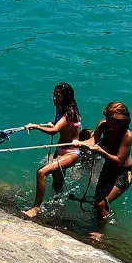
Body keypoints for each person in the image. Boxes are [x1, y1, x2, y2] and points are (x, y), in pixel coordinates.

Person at [21, 82, 81, 219]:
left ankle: (36, 208)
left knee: (41, 172)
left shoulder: (70, 113)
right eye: (54, 95)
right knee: (57, 182)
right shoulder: (59, 108)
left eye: (58, 96)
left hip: (71, 153)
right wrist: (52, 124)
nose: (54, 98)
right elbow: (58, 128)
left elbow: (54, 131)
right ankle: (58, 205)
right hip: (60, 149)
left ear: (66, 97)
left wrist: (36, 126)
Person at [78, 102, 132, 241]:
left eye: (111, 119)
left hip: (124, 173)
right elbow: (92, 141)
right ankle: (100, 219)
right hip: (108, 169)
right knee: (97, 202)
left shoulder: (127, 135)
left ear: (120, 121)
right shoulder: (103, 125)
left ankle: (99, 231)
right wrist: (80, 143)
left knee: (101, 203)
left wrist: (101, 151)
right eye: (106, 117)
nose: (107, 121)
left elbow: (119, 160)